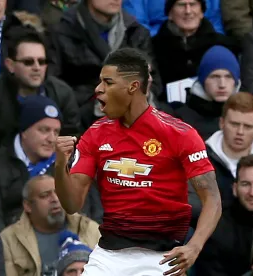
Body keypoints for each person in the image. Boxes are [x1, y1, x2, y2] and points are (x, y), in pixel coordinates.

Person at [55, 48, 221, 276]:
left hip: (162, 257)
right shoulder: (95, 134)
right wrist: (59, 165)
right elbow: (72, 205)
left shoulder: (180, 134)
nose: (98, 89)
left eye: (108, 82)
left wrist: (194, 245)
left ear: (133, 87)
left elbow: (212, 199)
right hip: (108, 255)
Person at [49, 0, 161, 130]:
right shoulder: (62, 32)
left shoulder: (136, 32)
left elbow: (155, 82)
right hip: (84, 116)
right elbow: (54, 87)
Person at [0, 27, 79, 157]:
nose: (37, 67)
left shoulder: (62, 94)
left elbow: (72, 143)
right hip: (5, 173)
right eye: (28, 62)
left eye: (42, 61)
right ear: (10, 65)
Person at [0, 96, 63, 231]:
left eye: (56, 132)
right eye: (44, 130)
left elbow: (83, 213)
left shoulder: (67, 163)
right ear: (24, 132)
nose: (52, 139)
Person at [0, 175, 100, 276]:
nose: (55, 199)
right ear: (28, 206)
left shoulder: (89, 229)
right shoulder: (9, 239)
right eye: (45, 195)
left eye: (59, 193)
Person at [152, 0, 237, 103]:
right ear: (170, 13)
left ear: (201, 12)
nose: (188, 11)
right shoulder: (154, 46)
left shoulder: (223, 45)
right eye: (181, 5)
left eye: (193, 4)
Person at [198, 92, 253, 211]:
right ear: (222, 123)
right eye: (234, 124)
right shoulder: (199, 158)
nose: (240, 132)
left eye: (248, 126)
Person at [174, 45, 240, 140]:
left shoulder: (247, 115)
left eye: (228, 77)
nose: (222, 84)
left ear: (236, 82)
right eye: (214, 77)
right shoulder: (181, 119)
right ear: (202, 81)